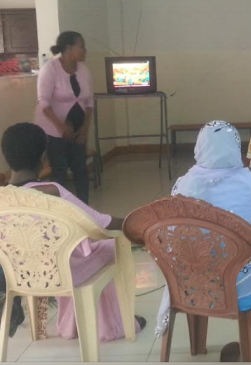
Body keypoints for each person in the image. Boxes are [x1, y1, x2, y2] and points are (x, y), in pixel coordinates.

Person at [156, 121, 251, 359]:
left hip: (190, 285)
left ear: (200, 147)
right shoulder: (248, 184)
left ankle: (198, 344)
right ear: (234, 148)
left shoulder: (186, 182)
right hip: (238, 290)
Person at [0, 123, 146, 341]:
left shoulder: (4, 197)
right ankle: (116, 323)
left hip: (21, 273)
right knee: (111, 245)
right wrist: (141, 223)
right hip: (62, 272)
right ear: (43, 156)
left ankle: (68, 324)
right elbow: (102, 225)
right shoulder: (51, 191)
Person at [34, 31, 93, 204]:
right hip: (54, 130)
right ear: (68, 48)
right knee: (59, 172)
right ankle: (63, 211)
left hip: (78, 129)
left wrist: (84, 129)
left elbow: (89, 101)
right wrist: (61, 127)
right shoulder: (50, 69)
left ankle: (85, 209)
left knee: (80, 170)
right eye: (81, 46)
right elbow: (43, 103)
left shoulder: (83, 70)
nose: (85, 50)